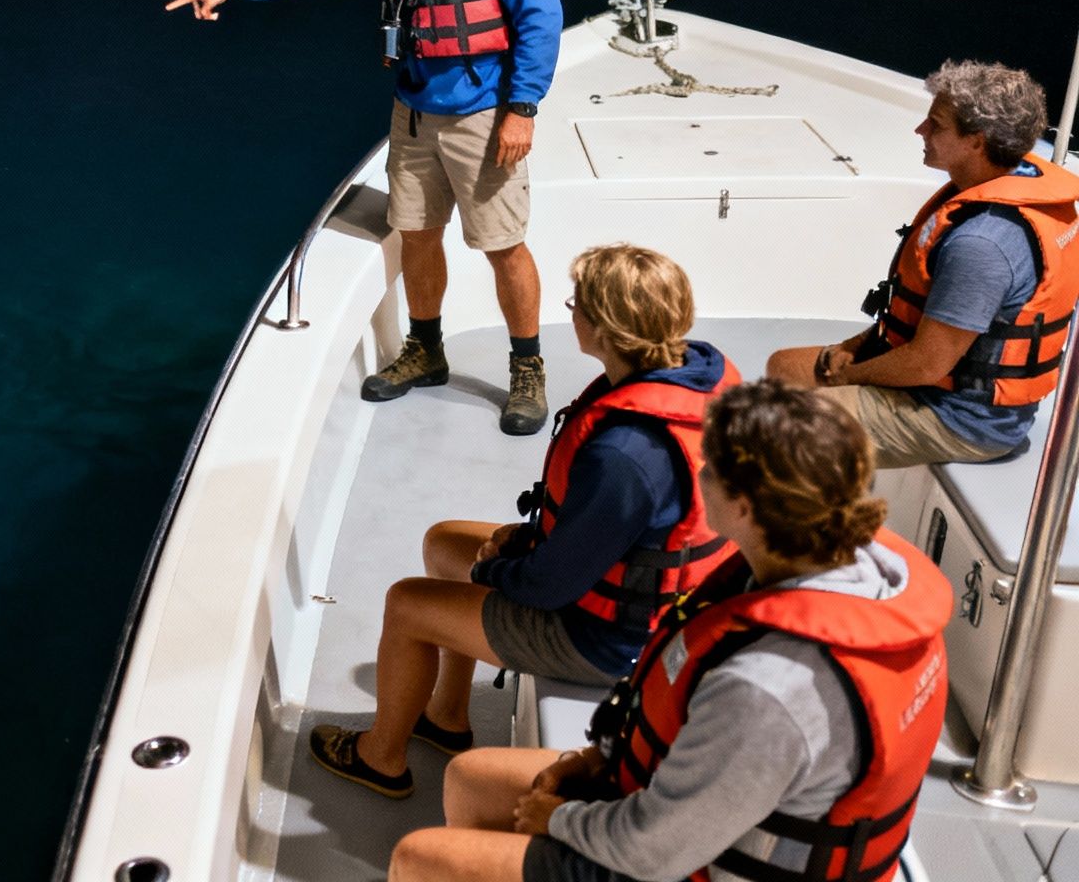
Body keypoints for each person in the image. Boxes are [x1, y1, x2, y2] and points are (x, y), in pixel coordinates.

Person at [388, 379, 950, 882]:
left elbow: (651, 853)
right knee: (469, 779)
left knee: (419, 860)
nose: (696, 474)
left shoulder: (771, 688)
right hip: (708, 820)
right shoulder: (852, 567)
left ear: (748, 508)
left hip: (683, 859)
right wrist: (603, 755)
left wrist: (561, 818)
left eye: (710, 467)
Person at [165, 0, 564, 435]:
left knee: (502, 245)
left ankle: (527, 368)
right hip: (412, 109)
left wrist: (522, 108)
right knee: (416, 233)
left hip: (483, 114)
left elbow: (539, 13)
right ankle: (425, 350)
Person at [307, 245, 736, 800]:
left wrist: (496, 568)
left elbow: (550, 585)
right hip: (646, 596)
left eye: (576, 303)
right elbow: (613, 533)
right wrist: (526, 541)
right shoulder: (687, 378)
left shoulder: (626, 454)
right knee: (444, 543)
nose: (570, 311)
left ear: (604, 329)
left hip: (612, 641)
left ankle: (380, 759)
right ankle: (445, 717)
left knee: (406, 603)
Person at [766, 60, 1079, 467]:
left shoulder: (983, 243)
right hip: (938, 383)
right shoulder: (996, 185)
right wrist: (854, 346)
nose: (921, 131)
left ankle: (827, 519)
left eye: (937, 125)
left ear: (977, 142)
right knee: (784, 367)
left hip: (961, 419)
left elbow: (928, 364)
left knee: (779, 428)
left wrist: (850, 374)